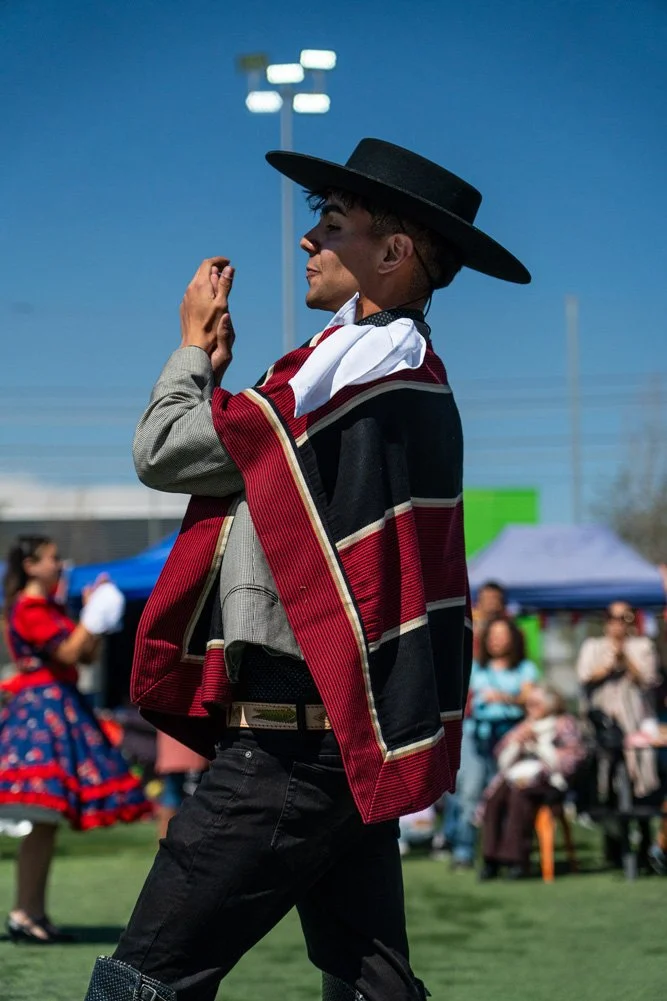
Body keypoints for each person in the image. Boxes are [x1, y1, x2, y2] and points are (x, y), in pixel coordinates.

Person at [84, 138, 530, 1001]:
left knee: (141, 979)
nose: (305, 240)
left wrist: (185, 357)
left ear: (395, 253)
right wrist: (221, 385)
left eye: (330, 223)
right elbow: (246, 455)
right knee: (371, 985)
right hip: (331, 736)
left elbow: (165, 450)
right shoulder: (362, 366)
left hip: (290, 745)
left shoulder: (353, 373)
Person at [0, 536, 151, 943]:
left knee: (44, 825)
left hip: (58, 710)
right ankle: (24, 912)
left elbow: (86, 656)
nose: (59, 564)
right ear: (30, 566)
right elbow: (69, 653)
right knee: (40, 820)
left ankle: (31, 912)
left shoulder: (47, 608)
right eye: (51, 559)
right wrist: (91, 617)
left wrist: (91, 617)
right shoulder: (29, 608)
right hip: (41, 715)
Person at [450, 615, 539, 869]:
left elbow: (529, 698)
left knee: (505, 792)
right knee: (471, 789)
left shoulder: (525, 669)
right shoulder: (476, 666)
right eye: (493, 635)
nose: (497, 640)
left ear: (513, 639)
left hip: (509, 735)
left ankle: (501, 853)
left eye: (503, 635)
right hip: (477, 733)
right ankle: (464, 850)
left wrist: (502, 698)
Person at [478, 684, 586, 879]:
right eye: (528, 704)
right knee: (496, 796)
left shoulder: (563, 723)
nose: (530, 708)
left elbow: (572, 759)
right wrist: (515, 744)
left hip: (550, 781)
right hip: (518, 776)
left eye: (536, 704)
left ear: (550, 704)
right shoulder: (526, 724)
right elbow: (501, 759)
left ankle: (516, 860)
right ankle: (491, 859)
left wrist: (539, 745)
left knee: (520, 795)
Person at [577, 602, 660, 801]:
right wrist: (608, 666)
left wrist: (626, 659)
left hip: (635, 722)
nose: (619, 624)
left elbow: (648, 680)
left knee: (640, 775)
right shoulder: (593, 646)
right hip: (601, 723)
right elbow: (584, 675)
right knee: (604, 775)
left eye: (625, 619)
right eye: (613, 619)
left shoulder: (643, 646)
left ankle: (641, 815)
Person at [154, 731, 207, 840]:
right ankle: (194, 842)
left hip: (171, 749)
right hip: (192, 747)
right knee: (196, 799)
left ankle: (165, 844)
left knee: (170, 797)